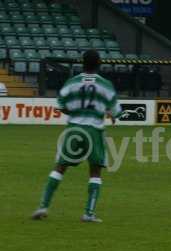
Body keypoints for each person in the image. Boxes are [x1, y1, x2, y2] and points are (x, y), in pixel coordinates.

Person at [31, 50, 122, 223]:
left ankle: (43, 206)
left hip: (74, 129)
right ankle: (88, 213)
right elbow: (117, 111)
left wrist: (74, 111)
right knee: (95, 171)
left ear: (83, 63)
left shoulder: (72, 82)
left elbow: (61, 105)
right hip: (94, 130)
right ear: (99, 63)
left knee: (60, 167)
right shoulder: (105, 85)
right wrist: (108, 112)